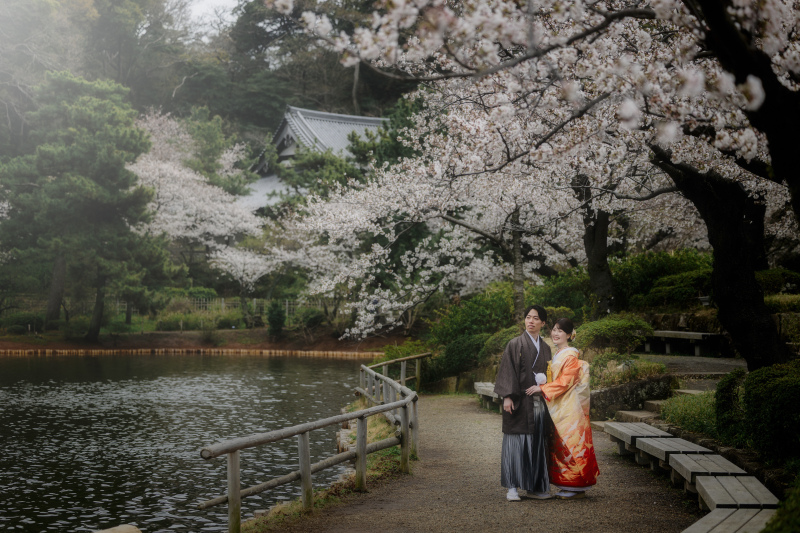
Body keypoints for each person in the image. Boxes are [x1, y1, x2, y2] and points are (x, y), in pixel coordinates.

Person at [529, 317, 599, 499]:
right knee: (561, 444)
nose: (555, 333)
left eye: (560, 330)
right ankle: (567, 483)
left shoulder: (569, 355)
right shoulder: (560, 353)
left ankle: (577, 485)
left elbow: (565, 382)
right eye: (554, 329)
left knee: (571, 444)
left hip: (569, 406)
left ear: (569, 334)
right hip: (561, 404)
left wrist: (542, 387)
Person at [493, 305, 553, 501]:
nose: (531, 321)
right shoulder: (515, 344)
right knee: (515, 442)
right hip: (519, 401)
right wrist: (507, 396)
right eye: (528, 317)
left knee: (536, 444)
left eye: (536, 318)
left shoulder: (545, 348)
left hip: (538, 403)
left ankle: (534, 487)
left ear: (543, 323)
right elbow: (507, 369)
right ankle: (512, 487)